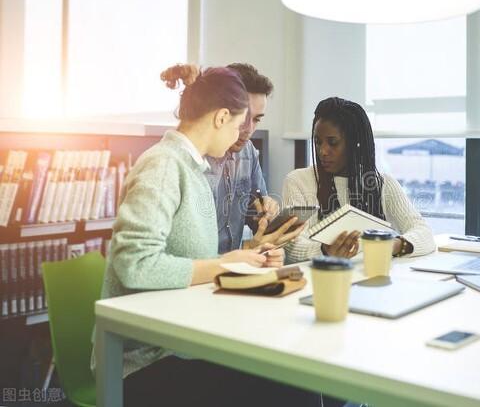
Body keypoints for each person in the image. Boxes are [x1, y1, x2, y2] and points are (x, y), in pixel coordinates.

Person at [94, 64, 320, 406]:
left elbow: (191, 261)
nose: (240, 137)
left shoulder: (193, 170)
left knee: (296, 378)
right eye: (237, 124)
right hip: (144, 360)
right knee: (291, 388)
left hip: (184, 341)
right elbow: (135, 266)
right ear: (221, 117)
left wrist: (246, 258)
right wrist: (223, 265)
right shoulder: (163, 166)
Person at [282, 97, 437, 263]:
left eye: (333, 143)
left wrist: (391, 245)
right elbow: (292, 246)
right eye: (318, 142)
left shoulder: (381, 184)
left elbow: (424, 233)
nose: (323, 151)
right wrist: (325, 250)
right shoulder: (298, 181)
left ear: (355, 144)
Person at [203, 63, 304, 254]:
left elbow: (257, 218)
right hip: (203, 274)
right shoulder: (193, 161)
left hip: (237, 269)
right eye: (243, 116)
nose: (249, 129)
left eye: (257, 119)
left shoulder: (247, 151)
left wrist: (264, 214)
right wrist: (248, 249)